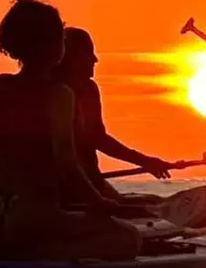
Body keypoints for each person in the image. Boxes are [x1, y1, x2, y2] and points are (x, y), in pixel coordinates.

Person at [0, 0, 141, 261]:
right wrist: (98, 202)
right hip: (33, 218)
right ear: (51, 45)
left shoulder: (0, 85)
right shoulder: (59, 95)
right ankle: (41, 253)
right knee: (128, 238)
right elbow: (66, 163)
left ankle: (9, 248)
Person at [55, 26, 175, 201]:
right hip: (68, 188)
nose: (95, 59)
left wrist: (146, 161)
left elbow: (98, 137)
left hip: (92, 182)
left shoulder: (89, 89)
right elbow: (96, 139)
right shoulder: (55, 93)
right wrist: (145, 161)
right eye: (88, 52)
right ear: (73, 58)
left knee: (154, 202)